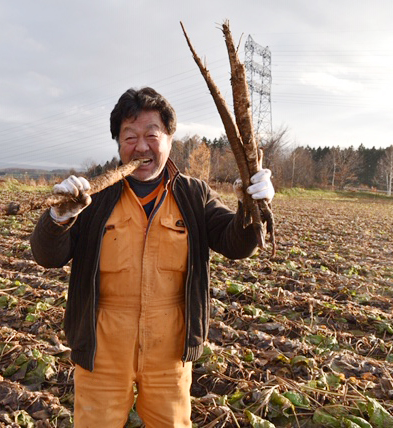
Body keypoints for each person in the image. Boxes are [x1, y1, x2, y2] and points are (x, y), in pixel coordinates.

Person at [30, 87, 274, 427]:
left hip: (169, 353)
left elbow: (236, 244)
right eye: (130, 136)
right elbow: (47, 256)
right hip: (101, 350)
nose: (141, 146)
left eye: (151, 135)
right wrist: (59, 216)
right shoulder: (94, 197)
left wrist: (252, 207)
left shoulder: (194, 195)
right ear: (118, 143)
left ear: (170, 138)